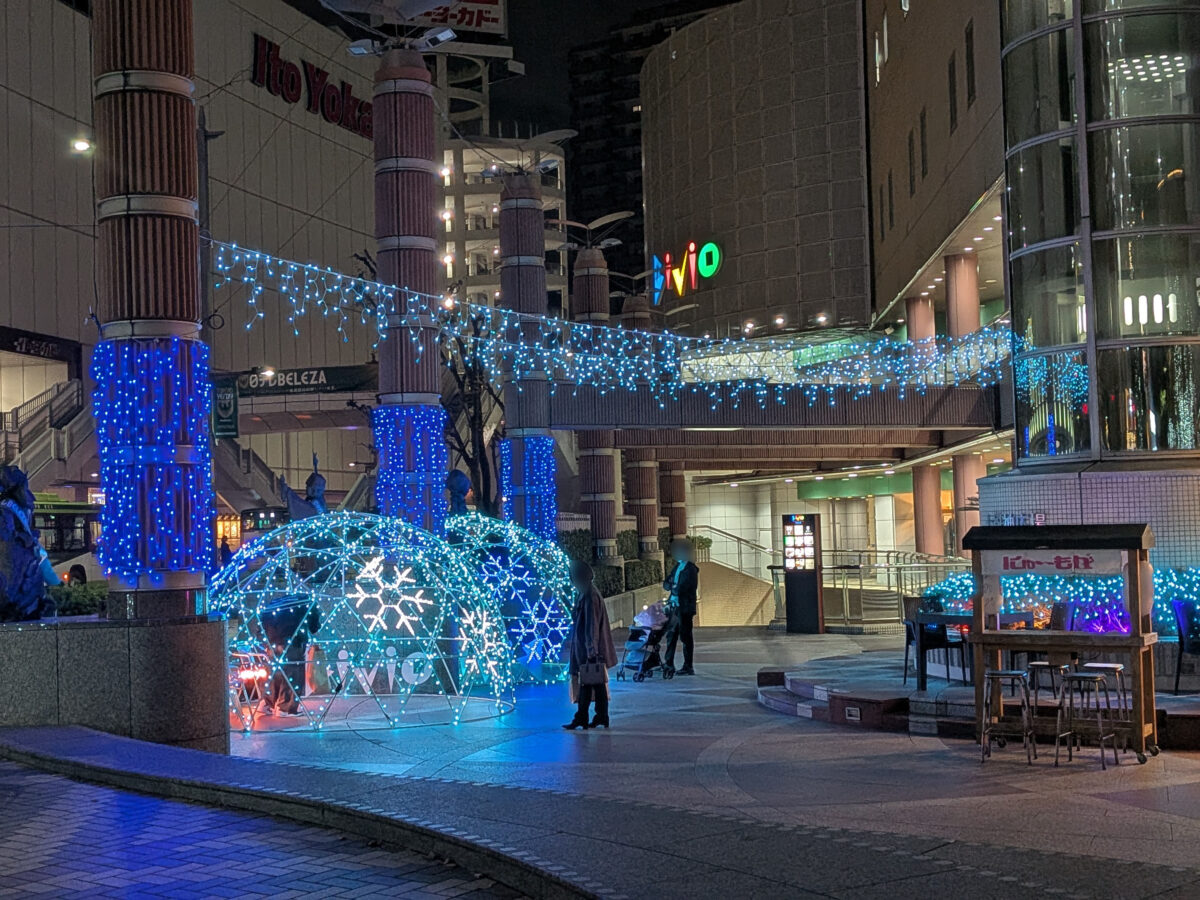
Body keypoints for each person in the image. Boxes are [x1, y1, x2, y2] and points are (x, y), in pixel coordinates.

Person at [564, 560, 617, 730]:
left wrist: (591, 650)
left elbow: (592, 625)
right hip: (584, 647)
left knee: (590, 681)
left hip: (588, 649)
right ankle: (597, 716)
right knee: (593, 682)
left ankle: (587, 717)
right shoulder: (585, 593)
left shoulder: (590, 595)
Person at [662, 539, 700, 676]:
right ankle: (669, 663)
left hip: (684, 608)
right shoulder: (677, 567)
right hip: (674, 606)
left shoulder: (691, 569)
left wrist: (674, 586)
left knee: (685, 636)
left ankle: (688, 666)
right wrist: (672, 586)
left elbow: (685, 588)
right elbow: (667, 583)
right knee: (671, 636)